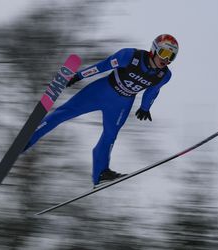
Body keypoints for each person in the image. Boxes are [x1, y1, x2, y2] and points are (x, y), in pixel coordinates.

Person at [23, 34, 179, 187]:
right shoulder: (130, 56)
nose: (166, 60)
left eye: (171, 57)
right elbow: (103, 66)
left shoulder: (164, 75)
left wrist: (145, 108)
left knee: (110, 136)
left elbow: (153, 90)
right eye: (164, 53)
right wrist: (78, 76)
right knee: (65, 112)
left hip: (122, 103)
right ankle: (28, 138)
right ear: (154, 49)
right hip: (102, 91)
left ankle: (101, 173)